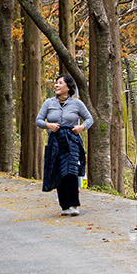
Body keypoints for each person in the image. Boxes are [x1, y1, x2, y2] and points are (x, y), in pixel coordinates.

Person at [36, 76, 94, 216]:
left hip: (72, 142)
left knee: (70, 171)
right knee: (59, 172)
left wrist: (81, 127)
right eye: (56, 83)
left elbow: (89, 119)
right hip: (55, 142)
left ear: (68, 87)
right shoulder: (48, 103)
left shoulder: (77, 103)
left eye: (60, 83)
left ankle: (73, 205)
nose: (56, 85)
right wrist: (48, 125)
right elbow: (38, 120)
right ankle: (64, 206)